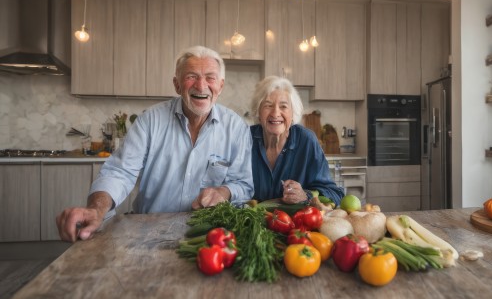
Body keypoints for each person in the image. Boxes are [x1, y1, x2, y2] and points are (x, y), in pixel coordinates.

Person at [56, 46, 254, 242]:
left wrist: (224, 191)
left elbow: (243, 184)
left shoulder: (237, 128)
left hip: (208, 235)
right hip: (148, 232)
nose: (201, 86)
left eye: (210, 77)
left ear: (220, 85)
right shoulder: (150, 121)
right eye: (191, 76)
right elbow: (120, 172)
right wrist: (96, 209)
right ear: (177, 85)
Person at [249, 76, 344, 206]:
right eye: (268, 105)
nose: (275, 113)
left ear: (293, 113)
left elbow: (334, 194)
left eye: (283, 106)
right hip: (251, 223)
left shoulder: (306, 141)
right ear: (258, 112)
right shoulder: (245, 139)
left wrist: (306, 196)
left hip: (297, 224)